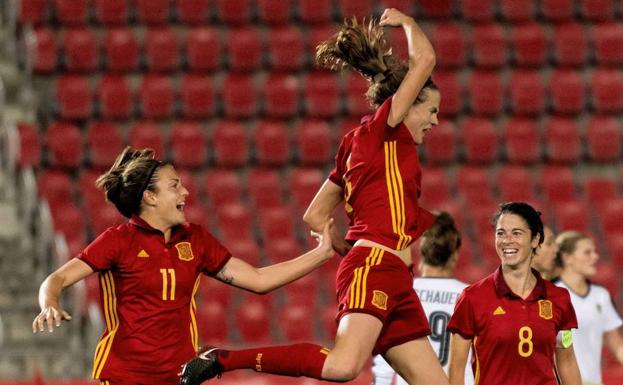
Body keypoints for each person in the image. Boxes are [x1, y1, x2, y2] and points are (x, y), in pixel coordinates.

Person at [180, 8, 450, 385]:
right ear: (407, 104)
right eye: (432, 110)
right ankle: (223, 358)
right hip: (375, 266)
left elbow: (314, 214)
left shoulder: (355, 143)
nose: (436, 120)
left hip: (394, 278)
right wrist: (407, 21)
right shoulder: (385, 130)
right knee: (342, 366)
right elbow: (426, 59)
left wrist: (347, 246)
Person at [32, 147, 335, 385]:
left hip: (180, 376)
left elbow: (258, 280)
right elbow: (56, 279)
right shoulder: (118, 241)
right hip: (125, 377)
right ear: (149, 197)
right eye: (174, 186)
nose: (185, 193)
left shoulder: (196, 239)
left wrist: (320, 255)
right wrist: (49, 304)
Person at [447, 202, 581, 385]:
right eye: (501, 233)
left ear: (535, 240)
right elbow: (456, 370)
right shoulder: (472, 298)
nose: (507, 240)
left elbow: (566, 360)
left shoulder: (558, 298)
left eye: (517, 233)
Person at [371, 212, 473, 385]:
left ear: (422, 250)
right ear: (455, 254)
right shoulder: (471, 295)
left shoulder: (400, 292)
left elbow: (384, 364)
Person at [554, 230, 623, 385]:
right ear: (567, 258)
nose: (595, 257)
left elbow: (616, 344)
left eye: (595, 252)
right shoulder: (551, 296)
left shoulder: (601, 295)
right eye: (587, 252)